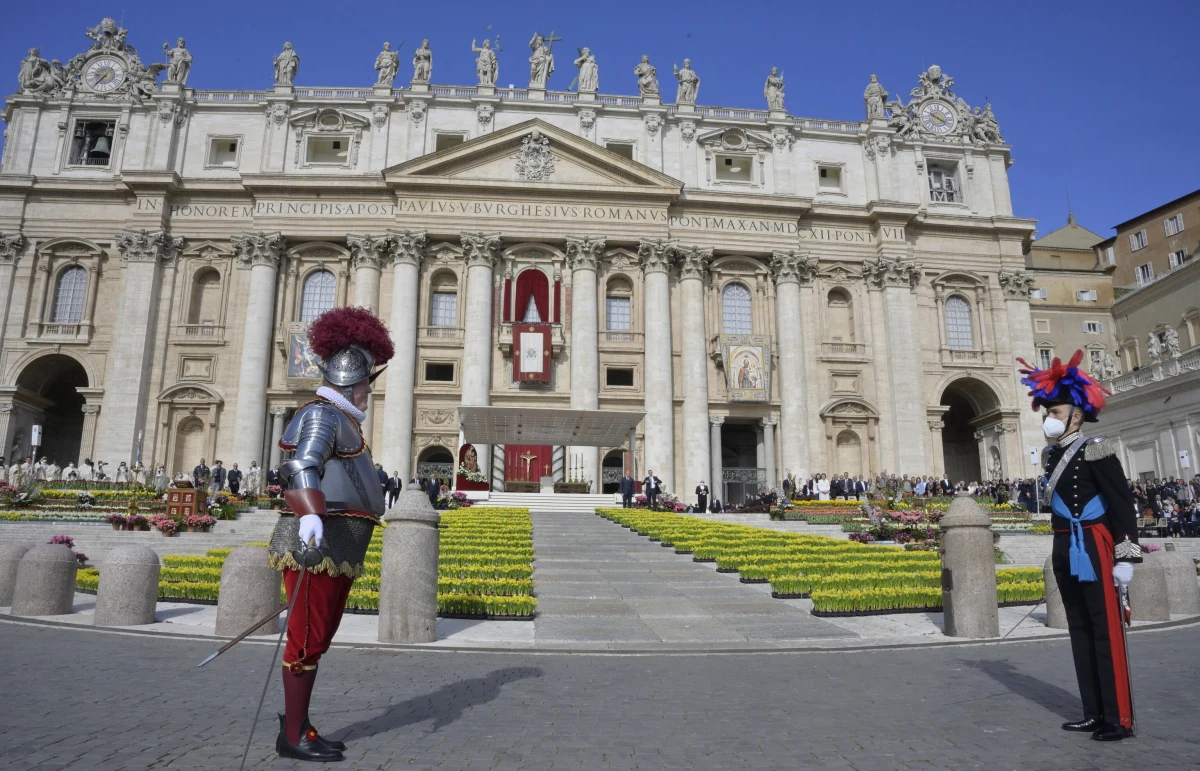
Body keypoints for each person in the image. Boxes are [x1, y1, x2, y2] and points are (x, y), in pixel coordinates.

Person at [266, 306, 394, 762]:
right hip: (318, 541)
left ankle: (300, 725)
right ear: (347, 382)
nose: (368, 392)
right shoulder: (324, 415)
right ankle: (294, 734)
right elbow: (303, 463)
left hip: (338, 543)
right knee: (306, 637)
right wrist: (310, 515)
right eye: (365, 386)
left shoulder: (343, 419)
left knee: (317, 637)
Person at [1018, 349, 1138, 741]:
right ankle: (1092, 711)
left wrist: (1126, 554)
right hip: (1065, 544)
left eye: (1055, 412)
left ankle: (1118, 718)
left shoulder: (1095, 448)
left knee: (1105, 628)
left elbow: (1120, 502)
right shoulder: (1052, 455)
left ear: (1076, 415)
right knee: (1080, 628)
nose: (1048, 419)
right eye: (1047, 413)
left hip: (1094, 544)